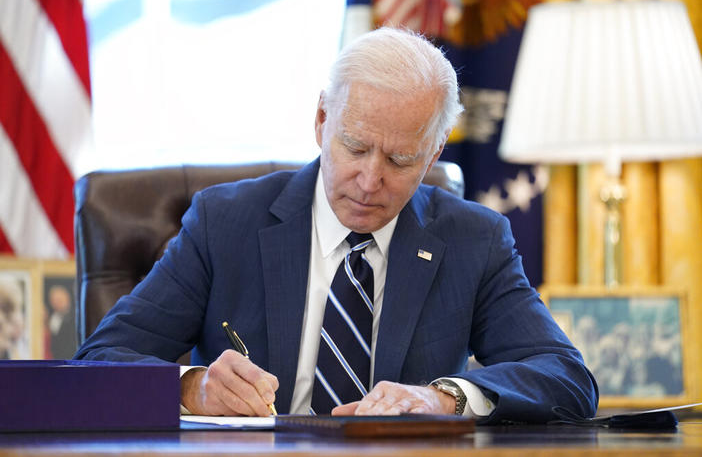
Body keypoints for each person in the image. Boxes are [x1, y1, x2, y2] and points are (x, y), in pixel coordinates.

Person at [75, 27, 598, 423]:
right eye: (355, 146)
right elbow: (100, 360)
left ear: (434, 151)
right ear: (322, 120)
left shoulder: (473, 240)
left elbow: (566, 377)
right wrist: (192, 388)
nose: (370, 180)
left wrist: (444, 397)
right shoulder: (224, 222)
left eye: (399, 160)